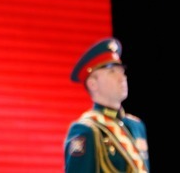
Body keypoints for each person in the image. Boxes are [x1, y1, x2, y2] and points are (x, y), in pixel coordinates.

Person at [64, 37, 149, 172]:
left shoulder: (136, 126)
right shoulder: (85, 130)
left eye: (122, 71)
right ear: (93, 84)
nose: (122, 78)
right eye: (112, 72)